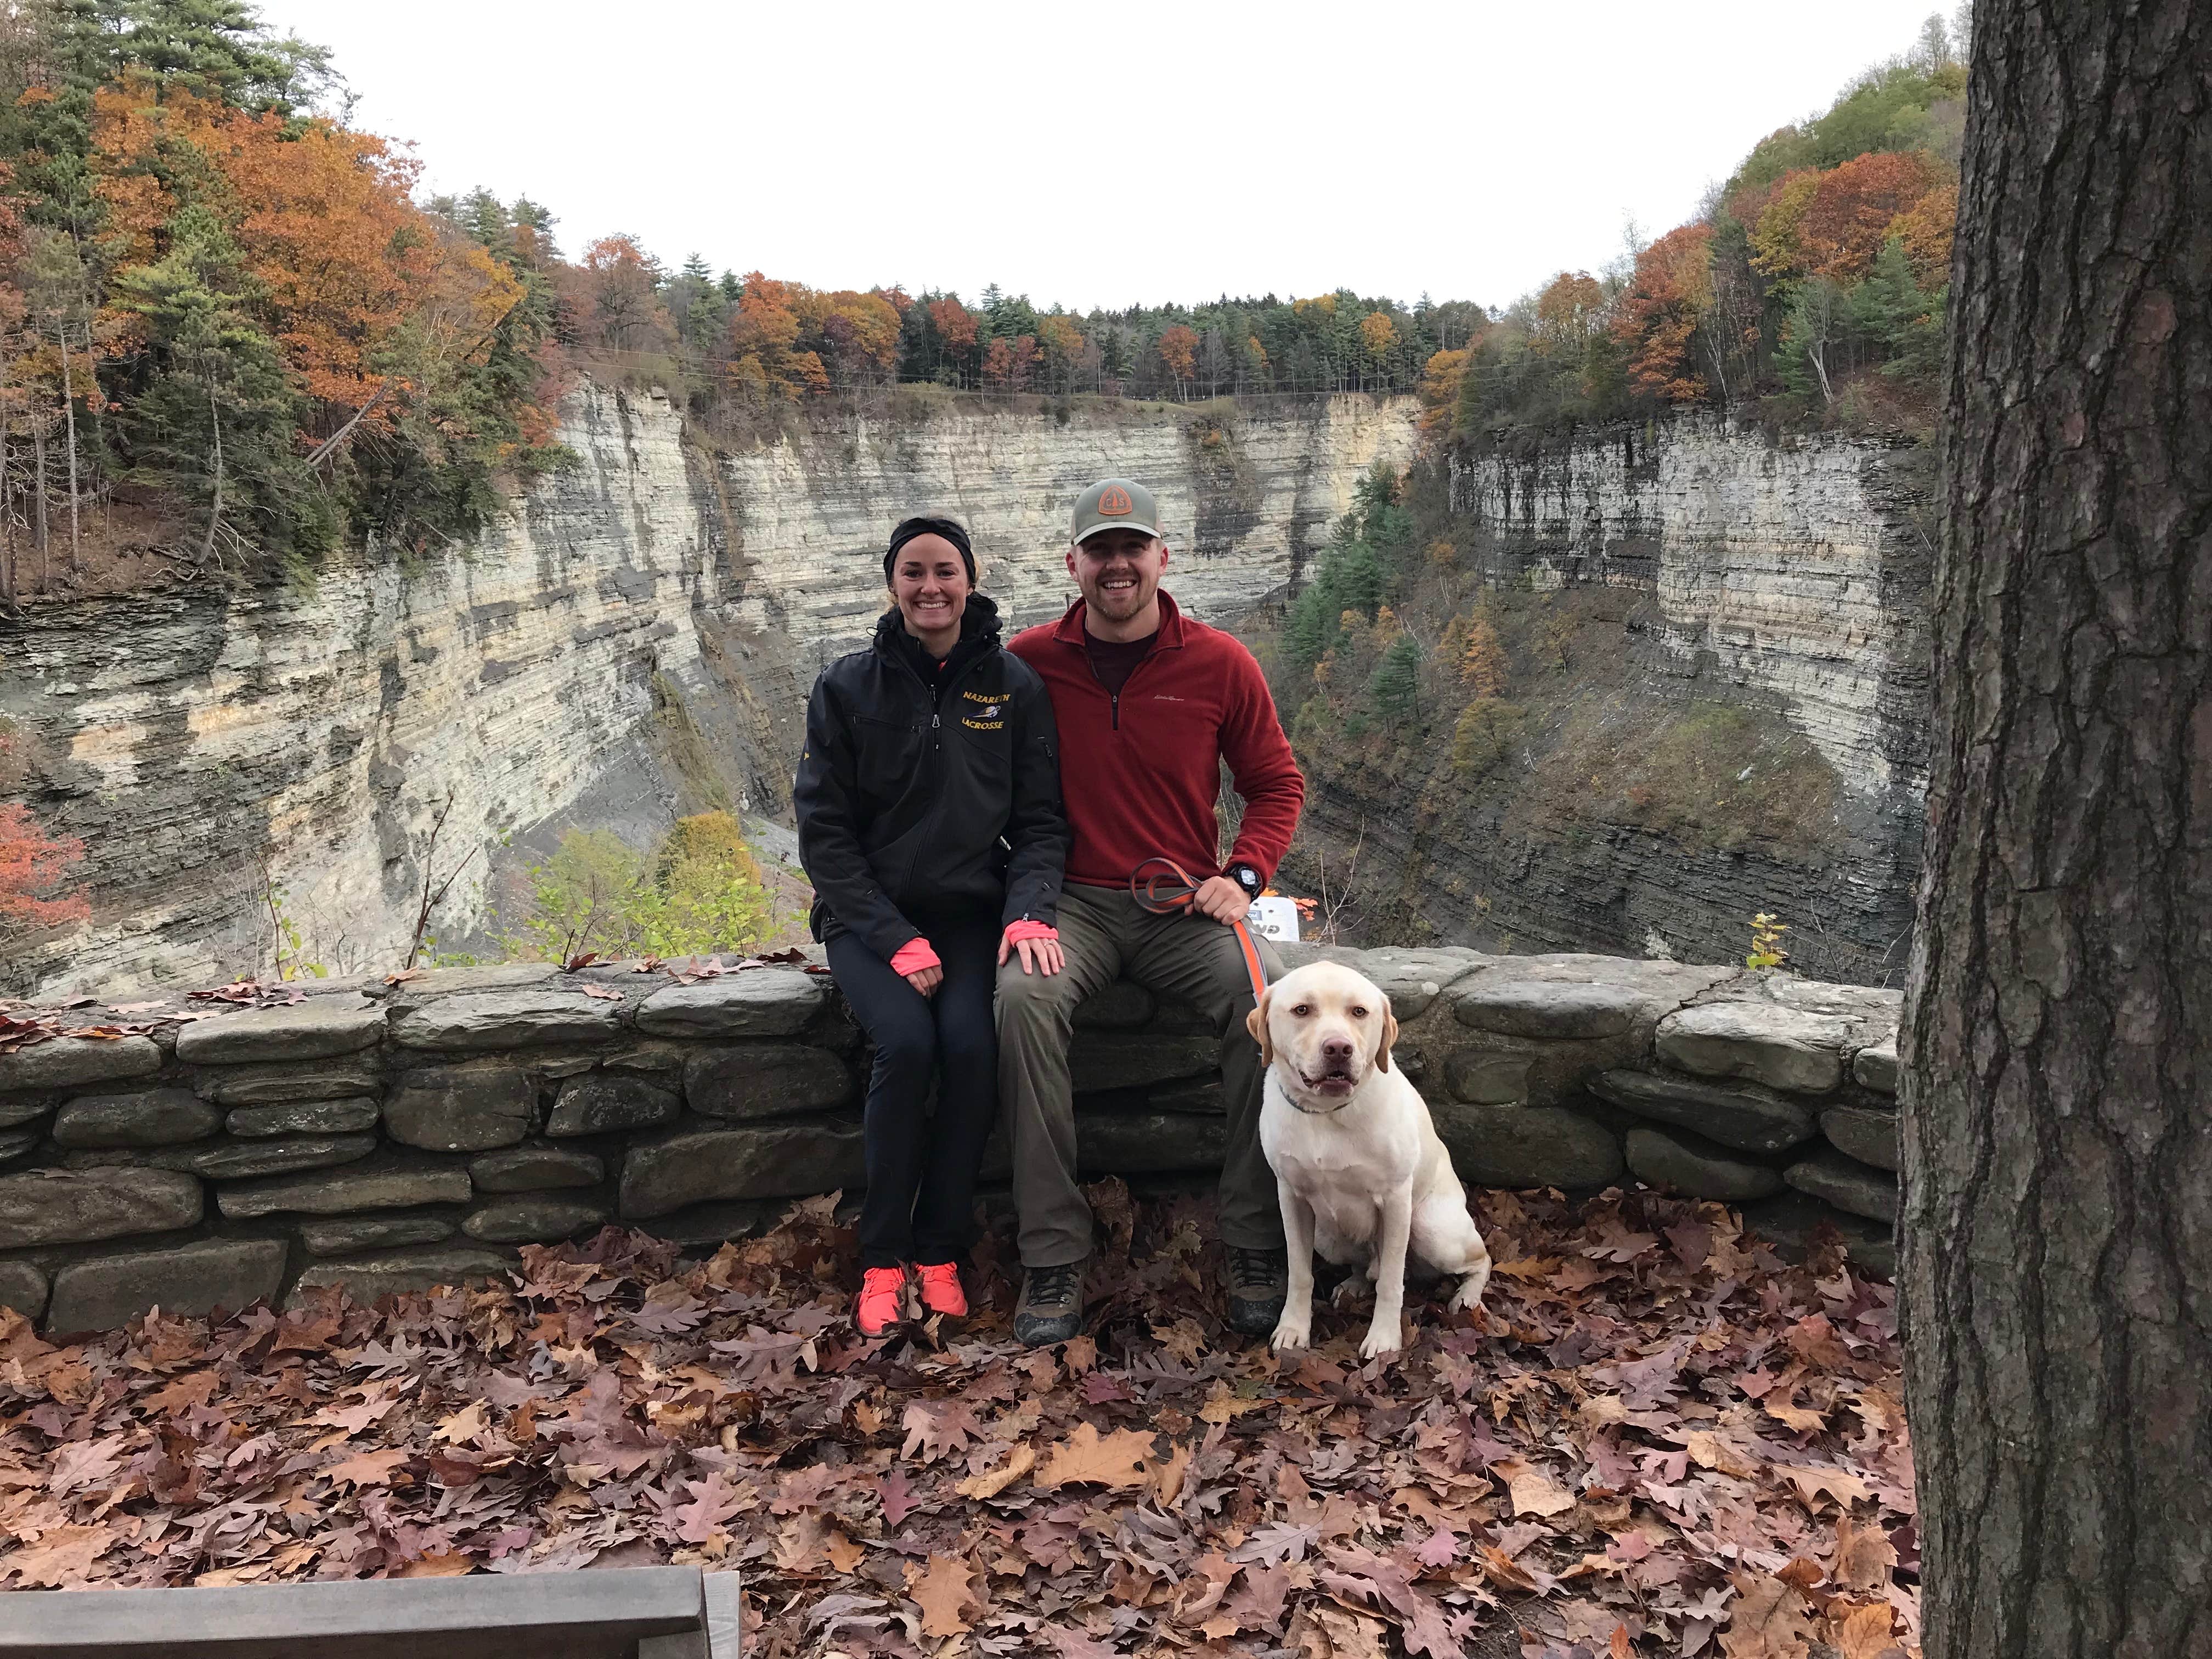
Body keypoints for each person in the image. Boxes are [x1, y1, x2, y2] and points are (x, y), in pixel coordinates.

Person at [998, 477, 1306, 1346]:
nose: (1117, 565)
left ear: (1163, 557)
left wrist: (1245, 876)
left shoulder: (1220, 662)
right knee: (1021, 1000)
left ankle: (1254, 1237)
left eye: (1132, 548)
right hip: (1070, 904)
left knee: (1267, 1003)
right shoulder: (1028, 662)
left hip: (1183, 904)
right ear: (1073, 564)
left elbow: (1276, 783)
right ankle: (1052, 1252)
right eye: (1099, 551)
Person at [795, 516, 1067, 1338]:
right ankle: (884, 1255)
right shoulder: (847, 687)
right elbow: (825, 834)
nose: (930, 587)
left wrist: (1028, 911)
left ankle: (941, 1247)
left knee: (974, 1049)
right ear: (893, 585)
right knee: (907, 1045)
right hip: (867, 920)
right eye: (912, 572)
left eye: (945, 570)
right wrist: (892, 936)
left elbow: (1042, 823)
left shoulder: (1013, 688)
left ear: (970, 580)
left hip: (971, 916)